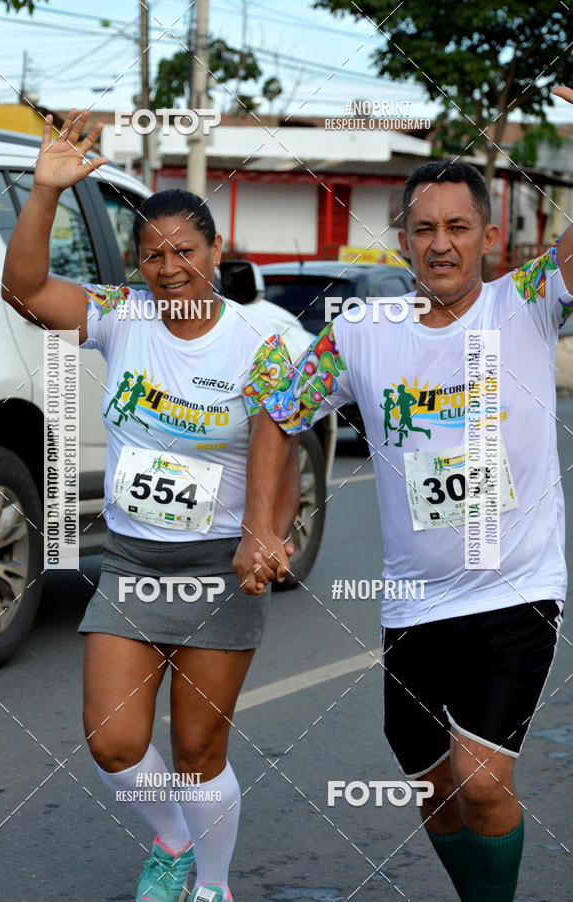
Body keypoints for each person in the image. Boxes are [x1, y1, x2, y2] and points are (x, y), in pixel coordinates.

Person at [233, 143, 573, 899]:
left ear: (489, 237)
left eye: (458, 226)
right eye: (423, 229)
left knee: (480, 780)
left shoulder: (529, 301)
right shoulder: (362, 331)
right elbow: (279, 413)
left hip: (515, 590)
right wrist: (261, 527)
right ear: (403, 239)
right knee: (434, 788)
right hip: (415, 601)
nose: (441, 243)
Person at [1, 109, 299, 902]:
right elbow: (24, 289)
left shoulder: (260, 342)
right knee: (114, 741)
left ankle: (210, 883)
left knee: (199, 748)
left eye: (185, 251)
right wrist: (43, 192)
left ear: (216, 253)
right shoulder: (122, 314)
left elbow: (282, 437)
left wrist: (264, 532)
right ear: (137, 265)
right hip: (135, 562)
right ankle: (170, 837)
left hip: (217, 562)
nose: (169, 268)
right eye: (153, 255)